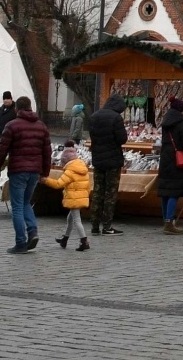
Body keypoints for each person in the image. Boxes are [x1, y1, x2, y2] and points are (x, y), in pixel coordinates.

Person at [0, 95, 51, 253]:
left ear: (17, 109)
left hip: (18, 170)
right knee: (25, 202)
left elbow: (1, 151)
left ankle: (21, 242)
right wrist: (45, 172)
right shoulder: (41, 126)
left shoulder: (12, 126)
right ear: (30, 107)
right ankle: (32, 230)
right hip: (35, 171)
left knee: (17, 206)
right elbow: (47, 152)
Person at [87, 93, 127, 236]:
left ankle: (94, 226)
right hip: (113, 160)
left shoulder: (94, 116)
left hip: (98, 159)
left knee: (97, 192)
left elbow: (92, 137)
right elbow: (122, 139)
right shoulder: (116, 118)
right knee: (110, 193)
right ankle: (107, 226)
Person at [42, 140, 91, 251]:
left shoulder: (70, 171)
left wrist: (45, 180)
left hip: (73, 198)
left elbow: (58, 184)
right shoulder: (82, 167)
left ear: (66, 160)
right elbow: (88, 186)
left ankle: (84, 241)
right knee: (70, 219)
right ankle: (65, 239)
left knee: (77, 221)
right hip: (79, 197)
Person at [155, 97, 183, 235]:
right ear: (181, 110)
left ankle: (166, 219)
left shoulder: (166, 122)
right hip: (177, 160)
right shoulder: (182, 123)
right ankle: (169, 222)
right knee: (174, 192)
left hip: (165, 159)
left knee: (166, 192)